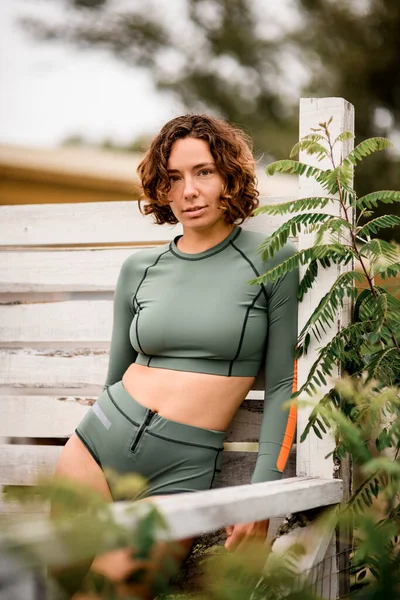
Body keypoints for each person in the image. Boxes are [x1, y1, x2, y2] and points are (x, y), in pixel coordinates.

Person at [54, 114, 299, 599]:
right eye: (173, 178)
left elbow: (282, 387)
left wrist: (261, 498)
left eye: (203, 172)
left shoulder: (271, 259)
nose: (188, 190)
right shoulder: (140, 268)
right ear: (161, 191)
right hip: (97, 447)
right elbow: (114, 376)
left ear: (229, 176)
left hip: (179, 472)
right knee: (51, 587)